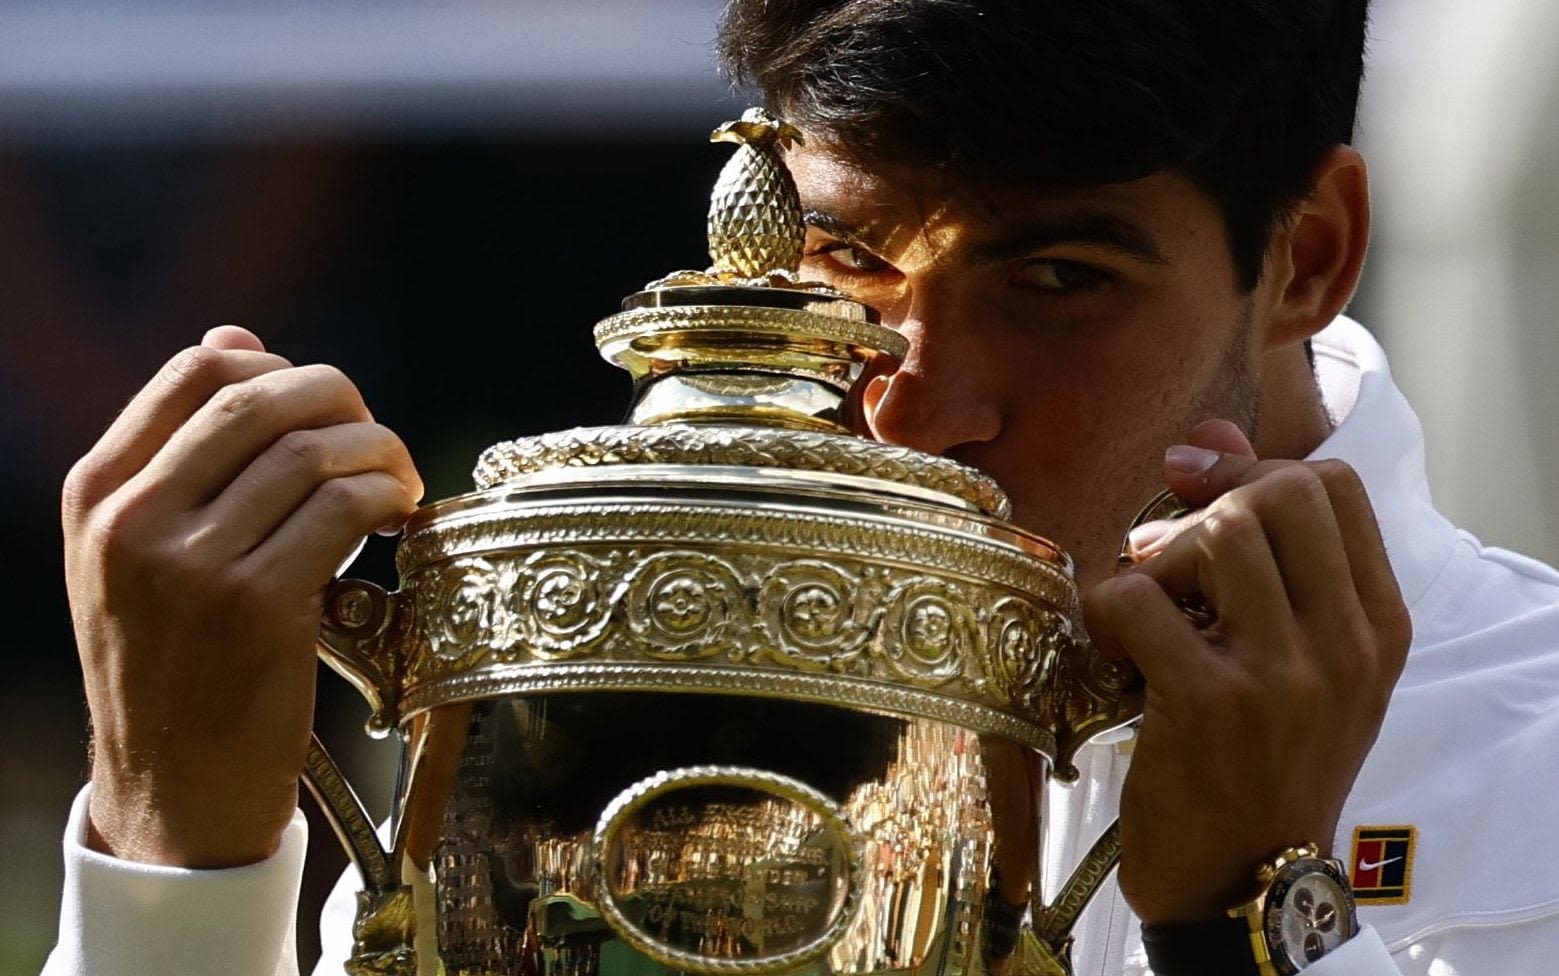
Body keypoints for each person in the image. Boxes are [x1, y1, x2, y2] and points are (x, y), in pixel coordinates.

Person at [45, 1, 1559, 974]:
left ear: (1304, 257)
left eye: (1058, 277)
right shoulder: (634, 657)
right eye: (844, 260)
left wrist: (1243, 927)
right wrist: (171, 860)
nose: (918, 403)